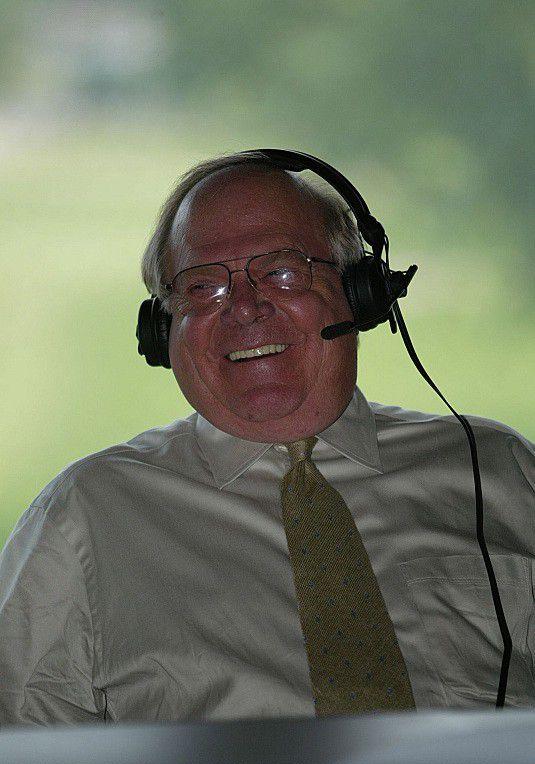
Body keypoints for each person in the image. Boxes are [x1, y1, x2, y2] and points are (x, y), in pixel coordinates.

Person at [1, 152, 534, 729]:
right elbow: (22, 758)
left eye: (282, 272)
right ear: (163, 330)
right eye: (203, 287)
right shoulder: (84, 516)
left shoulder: (499, 471)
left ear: (361, 294)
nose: (245, 309)